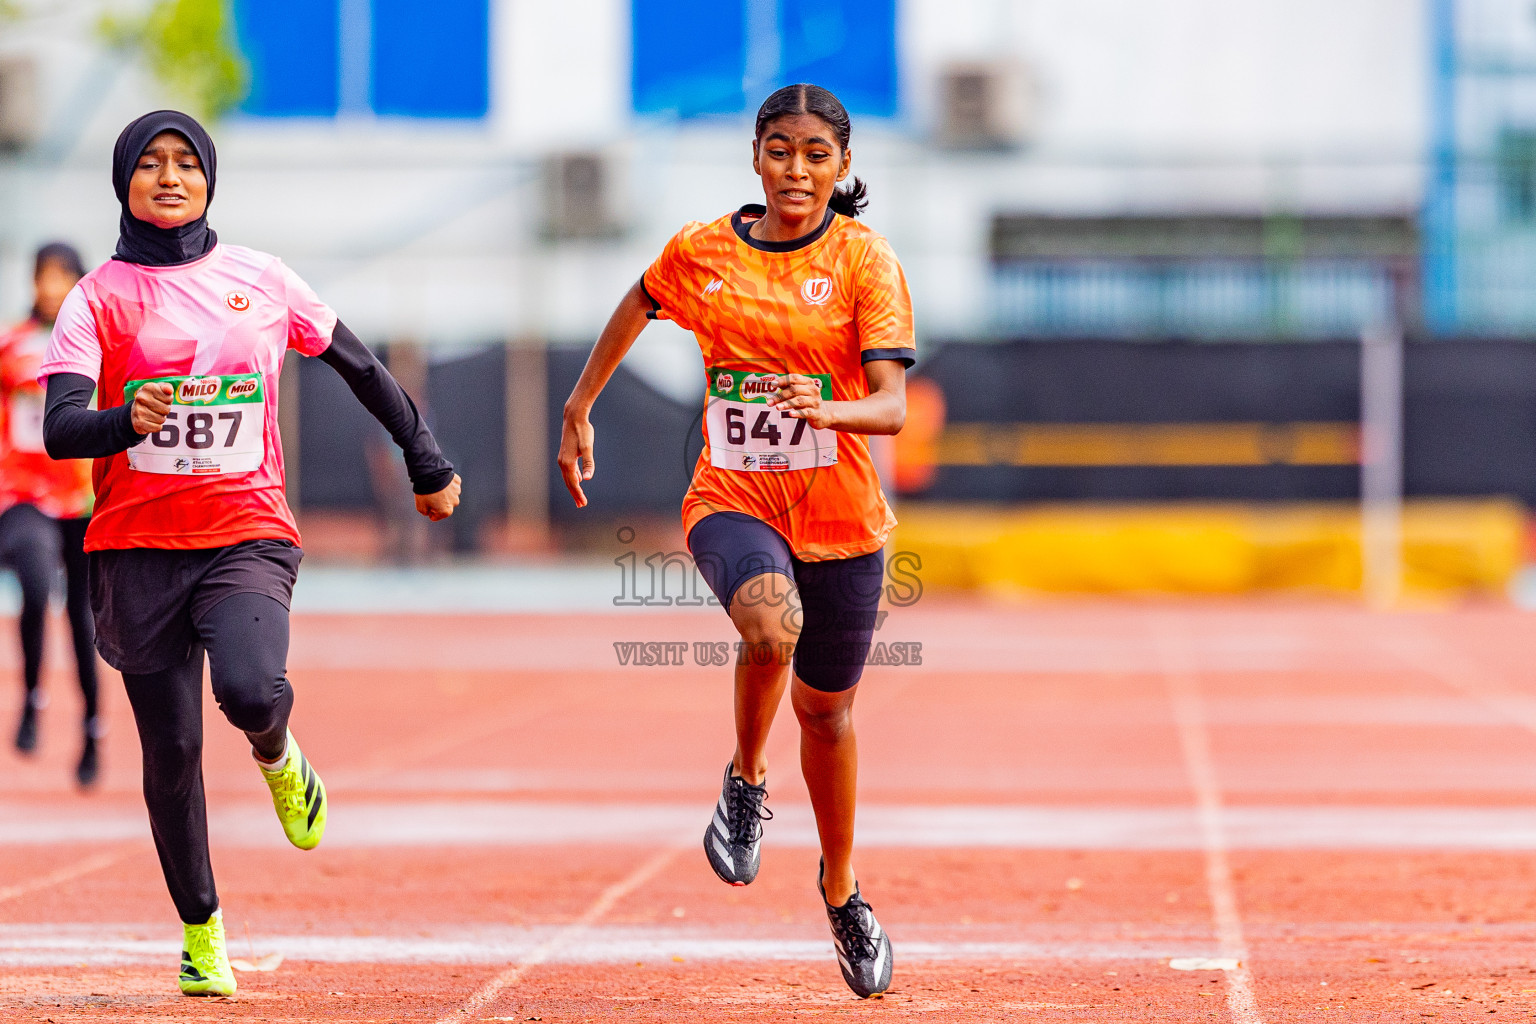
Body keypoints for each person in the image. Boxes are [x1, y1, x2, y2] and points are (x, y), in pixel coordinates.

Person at [39, 110, 462, 997]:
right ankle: (202, 930)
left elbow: (358, 365)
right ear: (123, 182)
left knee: (249, 687)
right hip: (135, 547)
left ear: (209, 180)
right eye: (148, 163)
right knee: (173, 752)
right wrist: (126, 420)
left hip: (245, 531)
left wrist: (425, 457)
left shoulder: (261, 279)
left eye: (185, 163)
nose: (168, 176)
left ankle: (277, 752)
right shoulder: (96, 299)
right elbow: (61, 429)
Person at [559, 84, 913, 999]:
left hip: (842, 517)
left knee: (827, 713)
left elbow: (892, 406)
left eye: (818, 156)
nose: (798, 171)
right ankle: (747, 780)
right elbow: (637, 305)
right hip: (732, 493)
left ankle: (841, 888)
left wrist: (824, 406)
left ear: (842, 169)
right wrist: (581, 403)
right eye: (782, 150)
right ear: (756, 155)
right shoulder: (701, 250)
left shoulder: (865, 261)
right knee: (770, 626)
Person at [0, 242, 101, 785]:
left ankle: (91, 731)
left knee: (83, 617)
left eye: (61, 275)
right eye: (42, 275)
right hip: (23, 494)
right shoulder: (10, 344)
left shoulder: (96, 345)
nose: (49, 286)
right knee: (37, 583)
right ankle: (33, 697)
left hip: (82, 497)